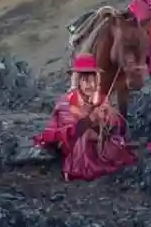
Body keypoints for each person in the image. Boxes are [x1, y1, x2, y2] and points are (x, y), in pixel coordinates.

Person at [33, 53, 136, 181]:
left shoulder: (101, 99)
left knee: (116, 145)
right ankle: (76, 167)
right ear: (78, 81)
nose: (90, 85)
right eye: (86, 80)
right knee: (84, 140)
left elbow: (116, 126)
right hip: (71, 142)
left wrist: (108, 117)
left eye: (93, 80)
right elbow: (74, 132)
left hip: (96, 142)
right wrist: (92, 118)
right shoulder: (66, 102)